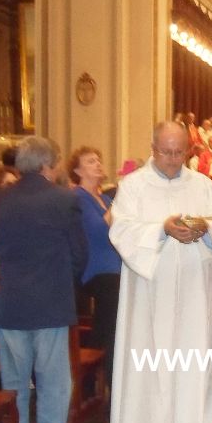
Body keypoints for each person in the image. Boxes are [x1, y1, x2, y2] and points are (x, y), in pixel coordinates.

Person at [108, 121, 212, 423]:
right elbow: (121, 229)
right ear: (153, 148)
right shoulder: (133, 186)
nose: (173, 159)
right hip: (150, 295)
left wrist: (207, 228)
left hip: (195, 293)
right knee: (153, 365)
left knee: (196, 362)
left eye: (179, 152)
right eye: (166, 152)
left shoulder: (202, 184)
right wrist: (161, 230)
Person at [0, 136, 87, 423]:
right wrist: (64, 281)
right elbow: (79, 254)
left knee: (14, 386)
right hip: (50, 304)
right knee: (53, 385)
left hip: (11, 305)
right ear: (48, 164)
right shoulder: (63, 199)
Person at [69, 146, 121, 384]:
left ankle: (99, 381)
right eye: (90, 161)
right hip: (97, 271)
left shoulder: (106, 199)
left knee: (109, 327)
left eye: (98, 159)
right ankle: (103, 381)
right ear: (77, 171)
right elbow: (100, 230)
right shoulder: (79, 197)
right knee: (108, 328)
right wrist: (122, 199)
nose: (98, 163)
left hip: (115, 269)